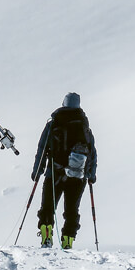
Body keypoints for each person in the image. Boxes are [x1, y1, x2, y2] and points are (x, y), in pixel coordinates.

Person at [31, 92, 97, 249]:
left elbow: (42, 149)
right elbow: (92, 153)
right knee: (72, 210)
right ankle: (67, 241)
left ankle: (46, 236)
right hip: (78, 176)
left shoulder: (53, 124)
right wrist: (91, 175)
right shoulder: (85, 127)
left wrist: (37, 171)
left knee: (47, 206)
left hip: (54, 173)